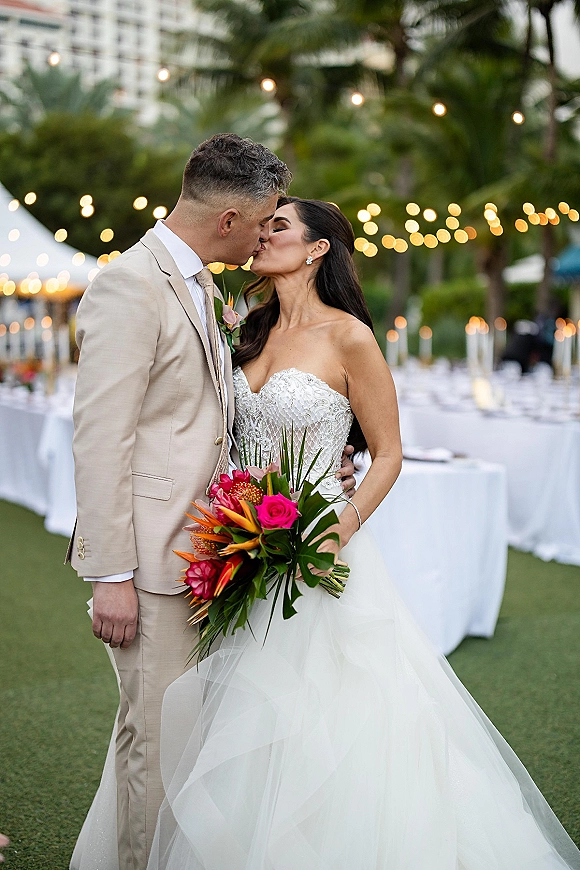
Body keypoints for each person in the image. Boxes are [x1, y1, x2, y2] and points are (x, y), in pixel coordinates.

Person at [143, 197, 580, 869]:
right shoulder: (248, 331)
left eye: (279, 226)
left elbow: (389, 453)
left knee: (330, 720)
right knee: (246, 719)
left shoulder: (349, 336)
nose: (263, 235)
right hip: (242, 545)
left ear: (318, 249)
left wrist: (336, 530)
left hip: (320, 550)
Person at [68, 139, 356, 870]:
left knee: (186, 744)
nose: (266, 236)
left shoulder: (206, 288)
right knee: (156, 747)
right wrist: (110, 574)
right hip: (150, 563)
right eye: (263, 223)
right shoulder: (131, 284)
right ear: (229, 217)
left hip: (211, 555)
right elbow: (101, 438)